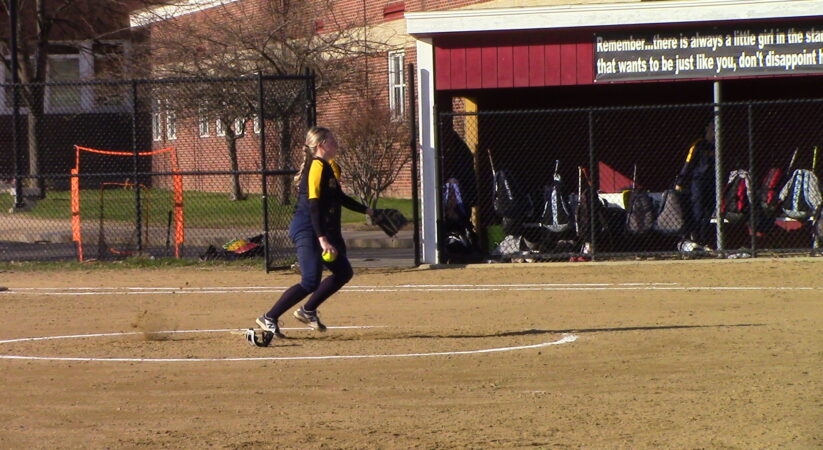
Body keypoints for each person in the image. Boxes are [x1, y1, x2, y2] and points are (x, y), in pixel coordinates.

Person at [256, 126, 372, 338]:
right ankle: (269, 317)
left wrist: (369, 210)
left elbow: (339, 198)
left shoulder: (326, 166)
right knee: (310, 281)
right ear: (321, 145)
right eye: (332, 141)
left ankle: (307, 311)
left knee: (343, 272)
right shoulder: (317, 166)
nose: (336, 144)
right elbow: (313, 205)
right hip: (307, 228)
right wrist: (323, 239)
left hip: (316, 228)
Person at [675, 121, 716, 248]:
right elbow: (688, 164)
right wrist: (680, 182)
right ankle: (694, 239)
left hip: (713, 183)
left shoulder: (718, 146)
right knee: (698, 211)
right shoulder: (698, 145)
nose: (714, 132)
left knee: (708, 212)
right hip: (698, 182)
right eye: (712, 129)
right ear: (707, 129)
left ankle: (703, 241)